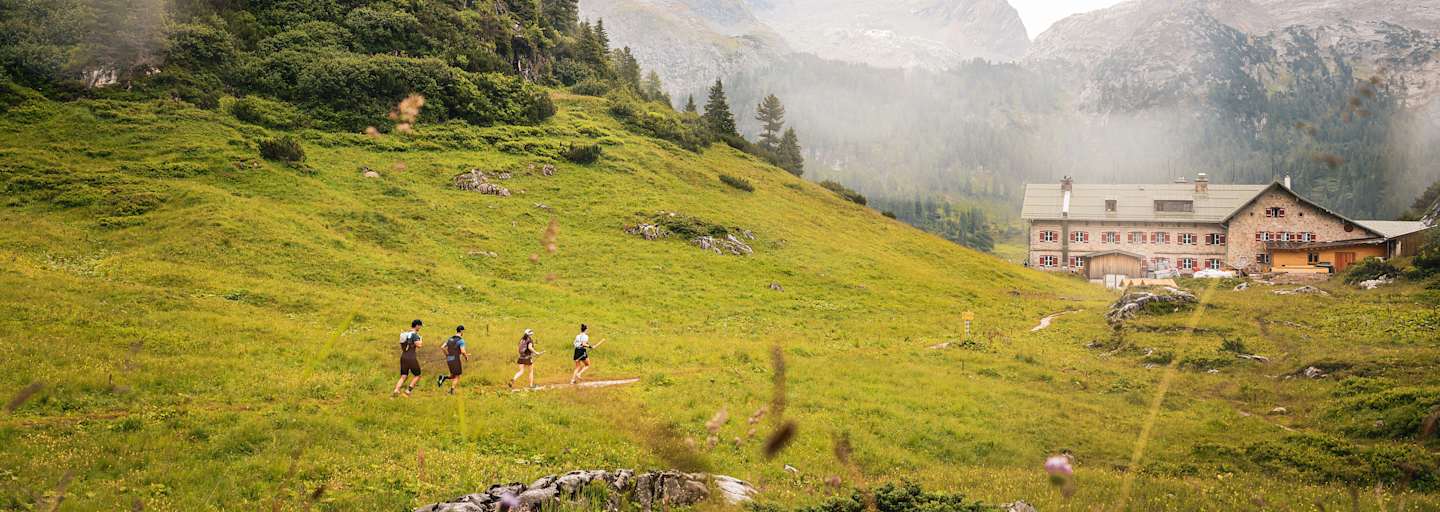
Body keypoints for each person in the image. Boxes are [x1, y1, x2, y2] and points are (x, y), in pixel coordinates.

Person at [393, 319, 424, 397]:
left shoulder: (404, 334)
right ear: (417, 325)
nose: (420, 328)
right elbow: (419, 345)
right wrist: (420, 339)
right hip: (411, 357)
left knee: (404, 375)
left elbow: (403, 346)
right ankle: (408, 391)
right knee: (418, 375)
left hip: (403, 356)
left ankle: (396, 390)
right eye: (420, 326)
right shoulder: (415, 335)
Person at [436, 325, 469, 394]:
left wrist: (447, 355)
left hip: (449, 359)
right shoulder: (461, 340)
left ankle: (443, 377)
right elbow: (463, 351)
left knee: (452, 375)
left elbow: (442, 347)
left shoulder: (450, 339)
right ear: (461, 331)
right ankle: (451, 391)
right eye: (463, 331)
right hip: (455, 360)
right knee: (457, 376)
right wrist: (466, 357)